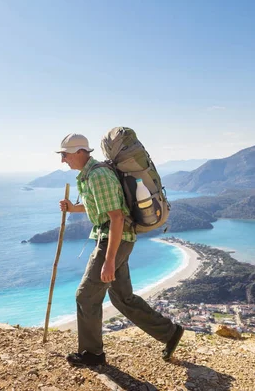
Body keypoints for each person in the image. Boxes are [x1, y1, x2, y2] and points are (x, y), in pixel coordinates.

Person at [56, 133, 184, 366]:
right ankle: (170, 333)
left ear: (80, 152)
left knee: (86, 296)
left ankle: (92, 354)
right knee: (122, 298)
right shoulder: (90, 176)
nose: (63, 160)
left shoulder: (98, 176)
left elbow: (115, 218)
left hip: (113, 240)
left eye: (65, 155)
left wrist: (109, 259)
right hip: (118, 239)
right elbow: (101, 207)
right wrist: (73, 208)